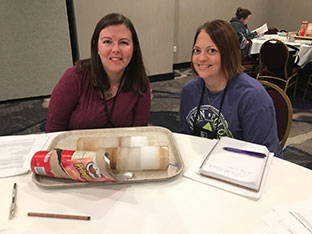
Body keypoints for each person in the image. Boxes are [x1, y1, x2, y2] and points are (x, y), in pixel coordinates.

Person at [179, 19, 283, 157]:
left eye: (211, 50)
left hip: (243, 170)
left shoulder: (252, 97)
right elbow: (187, 140)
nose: (201, 58)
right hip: (201, 166)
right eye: (197, 50)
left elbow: (263, 157)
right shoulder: (189, 91)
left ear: (228, 54)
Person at [46, 13, 151, 133]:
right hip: (76, 150)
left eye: (124, 43)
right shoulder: (74, 77)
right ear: (97, 46)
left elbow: (138, 134)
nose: (115, 49)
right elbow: (53, 132)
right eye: (107, 42)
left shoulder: (140, 83)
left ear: (134, 48)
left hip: (120, 150)